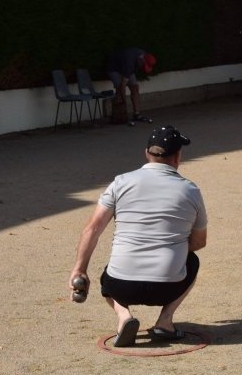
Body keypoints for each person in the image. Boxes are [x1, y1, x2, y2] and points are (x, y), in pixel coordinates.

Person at [69, 125, 208, 347]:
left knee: (109, 274)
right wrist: (174, 249)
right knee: (192, 261)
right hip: (168, 286)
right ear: (178, 156)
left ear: (147, 153)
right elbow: (199, 242)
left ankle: (124, 316)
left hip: (121, 285)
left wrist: (79, 270)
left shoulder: (120, 182)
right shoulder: (190, 190)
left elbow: (92, 229)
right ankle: (165, 321)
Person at [106, 48, 157, 126]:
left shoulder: (143, 55)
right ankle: (121, 115)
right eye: (143, 65)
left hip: (127, 67)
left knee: (135, 87)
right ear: (141, 60)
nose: (142, 68)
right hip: (114, 68)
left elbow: (131, 72)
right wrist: (123, 102)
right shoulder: (129, 62)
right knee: (120, 89)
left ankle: (137, 114)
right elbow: (123, 85)